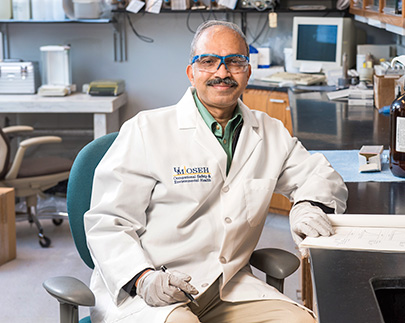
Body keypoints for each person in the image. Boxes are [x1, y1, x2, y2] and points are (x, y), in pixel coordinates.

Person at [84, 20, 348, 323]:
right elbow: (107, 222)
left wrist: (308, 206)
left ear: (247, 72)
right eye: (208, 61)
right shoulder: (146, 130)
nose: (222, 73)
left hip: (229, 287)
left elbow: (320, 176)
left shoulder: (270, 132)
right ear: (191, 73)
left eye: (235, 62)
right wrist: (142, 277)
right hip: (151, 291)